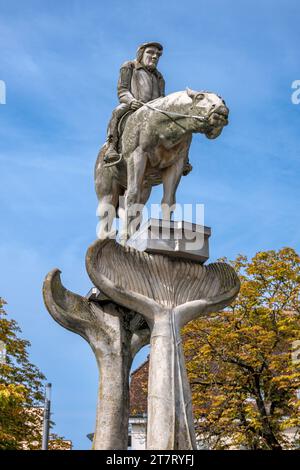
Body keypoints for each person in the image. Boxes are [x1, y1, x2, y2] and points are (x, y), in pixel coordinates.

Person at [104, 42, 165, 163]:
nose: (155, 57)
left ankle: (182, 158)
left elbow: (163, 97)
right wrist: (131, 101)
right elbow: (122, 90)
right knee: (116, 112)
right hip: (133, 105)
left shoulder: (160, 77)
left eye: (158, 54)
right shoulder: (129, 66)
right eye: (150, 52)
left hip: (155, 110)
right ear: (141, 54)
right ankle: (112, 146)